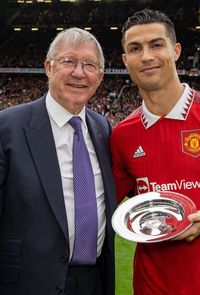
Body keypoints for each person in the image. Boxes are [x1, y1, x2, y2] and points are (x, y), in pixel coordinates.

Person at [110, 8, 200, 295]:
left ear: (176, 50)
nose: (146, 56)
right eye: (135, 48)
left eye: (156, 44)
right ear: (125, 60)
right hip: (150, 287)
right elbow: (103, 205)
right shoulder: (122, 136)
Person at [0, 27, 117, 295]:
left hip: (94, 282)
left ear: (99, 77)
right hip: (28, 282)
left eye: (89, 65)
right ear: (48, 67)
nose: (79, 72)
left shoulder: (104, 130)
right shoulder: (6, 128)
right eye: (69, 61)